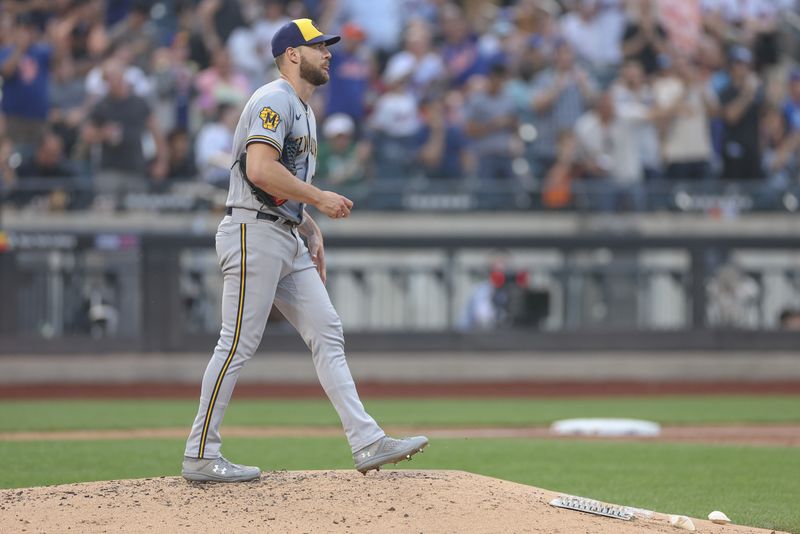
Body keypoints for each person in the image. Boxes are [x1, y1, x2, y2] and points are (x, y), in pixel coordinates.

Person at [181, 19, 428, 483]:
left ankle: (367, 440)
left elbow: (280, 185)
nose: (327, 53)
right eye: (318, 46)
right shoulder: (275, 98)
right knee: (236, 343)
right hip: (252, 232)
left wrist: (308, 224)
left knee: (327, 331)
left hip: (284, 233)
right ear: (293, 54)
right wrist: (319, 199)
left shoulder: (303, 108)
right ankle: (199, 454)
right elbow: (259, 169)